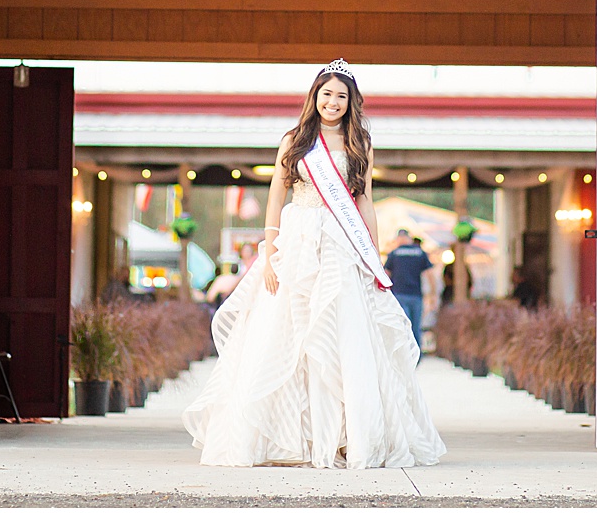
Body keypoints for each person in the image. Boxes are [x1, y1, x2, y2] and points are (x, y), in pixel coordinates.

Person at [182, 61, 443, 468]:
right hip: (299, 240)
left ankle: (342, 437)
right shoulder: (295, 140)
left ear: (351, 101)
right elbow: (275, 196)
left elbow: (365, 202)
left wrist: (373, 257)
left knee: (342, 335)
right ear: (315, 96)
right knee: (287, 333)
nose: (333, 101)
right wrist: (269, 254)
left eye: (341, 95)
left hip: (341, 244)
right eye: (327, 93)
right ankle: (293, 437)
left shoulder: (361, 144)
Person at [384, 230, 434, 346]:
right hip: (416, 295)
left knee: (403, 326)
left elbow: (386, 274)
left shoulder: (394, 254)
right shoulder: (420, 253)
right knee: (416, 327)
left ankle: (405, 354)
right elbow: (430, 274)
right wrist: (433, 294)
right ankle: (417, 355)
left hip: (399, 296)